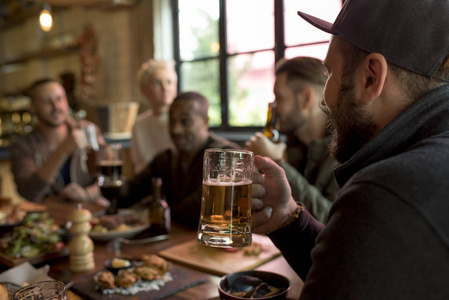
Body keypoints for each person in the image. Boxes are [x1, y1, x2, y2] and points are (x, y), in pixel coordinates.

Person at [250, 0, 449, 299]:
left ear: (371, 77)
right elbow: (367, 271)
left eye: (330, 73)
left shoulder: (385, 191)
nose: (323, 100)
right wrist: (289, 221)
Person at [120, 91, 241, 228]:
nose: (176, 130)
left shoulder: (225, 155)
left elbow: (198, 211)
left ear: (205, 121)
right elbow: (128, 193)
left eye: (185, 122)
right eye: (172, 121)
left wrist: (149, 213)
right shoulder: (166, 159)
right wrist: (106, 177)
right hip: (178, 242)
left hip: (220, 244)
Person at [245, 57, 339, 223]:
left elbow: (331, 219)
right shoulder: (291, 145)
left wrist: (277, 163)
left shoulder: (345, 152)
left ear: (306, 98)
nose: (273, 107)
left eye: (279, 97)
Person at [10, 78, 107, 205]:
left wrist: (87, 194)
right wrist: (63, 150)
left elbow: (108, 178)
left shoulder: (89, 130)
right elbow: (30, 192)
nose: (56, 106)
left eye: (59, 98)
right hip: (48, 220)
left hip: (90, 213)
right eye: (46, 101)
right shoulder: (22, 146)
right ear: (33, 108)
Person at [130, 59, 178, 174]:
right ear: (144, 90)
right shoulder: (138, 124)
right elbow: (138, 166)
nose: (165, 88)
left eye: (169, 82)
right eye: (157, 83)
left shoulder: (181, 122)